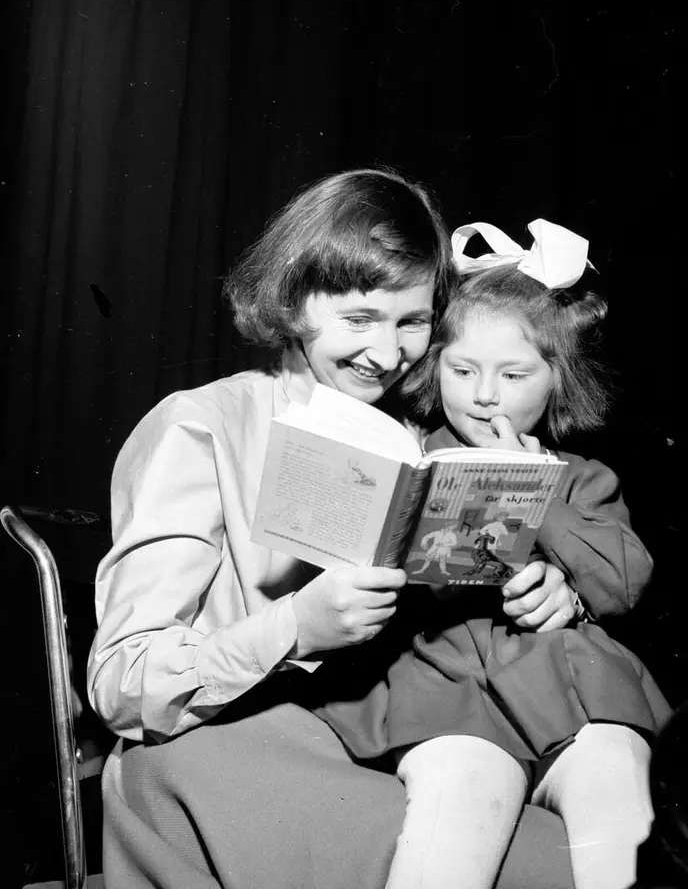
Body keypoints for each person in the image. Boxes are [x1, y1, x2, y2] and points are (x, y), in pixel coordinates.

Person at [86, 169, 583, 889]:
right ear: (293, 301)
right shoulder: (202, 426)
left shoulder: (419, 441)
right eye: (358, 319)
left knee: (577, 853)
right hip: (214, 743)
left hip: (376, 739)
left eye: (411, 323)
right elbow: (121, 684)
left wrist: (548, 592)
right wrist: (296, 627)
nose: (385, 354)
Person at [313, 219, 672, 889]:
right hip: (447, 692)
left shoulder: (583, 478)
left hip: (576, 693)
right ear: (434, 368)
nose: (484, 395)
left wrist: (543, 508)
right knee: (456, 806)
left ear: (557, 380)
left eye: (513, 374)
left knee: (617, 793)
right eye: (462, 370)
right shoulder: (405, 459)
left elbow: (623, 582)